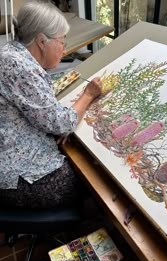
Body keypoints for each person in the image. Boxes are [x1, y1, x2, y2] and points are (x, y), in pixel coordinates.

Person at [0, 1, 102, 210]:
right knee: (95, 181)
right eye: (62, 42)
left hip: (11, 165)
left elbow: (40, 113)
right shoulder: (20, 67)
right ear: (41, 41)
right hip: (19, 178)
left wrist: (53, 128)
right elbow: (61, 123)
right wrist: (88, 94)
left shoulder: (12, 53)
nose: (64, 50)